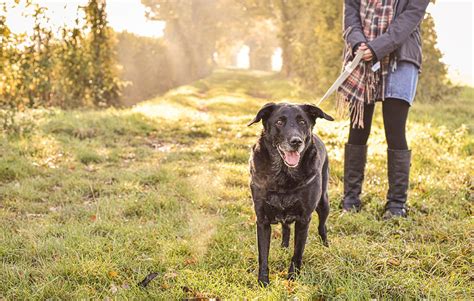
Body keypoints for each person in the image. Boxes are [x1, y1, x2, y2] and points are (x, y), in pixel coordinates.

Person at [338, 0, 430, 219]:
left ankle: (396, 206)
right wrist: (359, 44)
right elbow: (350, 16)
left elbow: (408, 20)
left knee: (395, 131)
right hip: (361, 57)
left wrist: (376, 48)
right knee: (357, 128)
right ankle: (351, 200)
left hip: (400, 57)